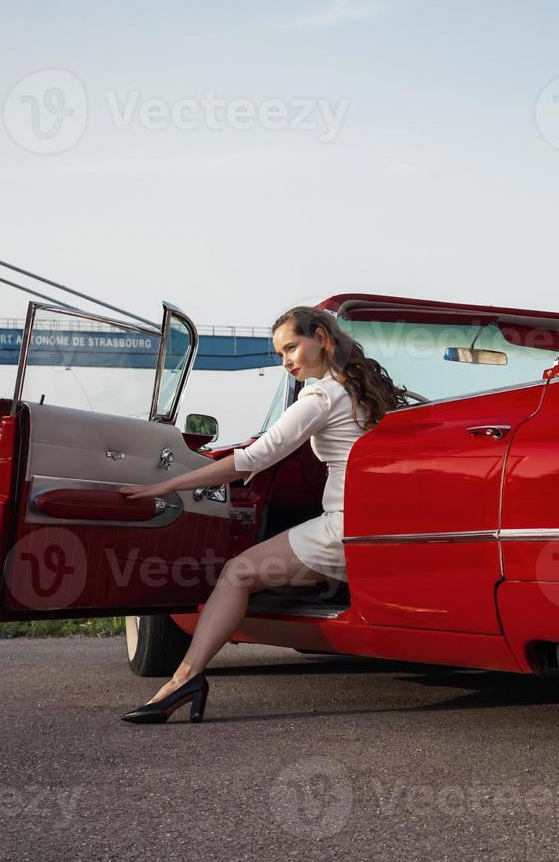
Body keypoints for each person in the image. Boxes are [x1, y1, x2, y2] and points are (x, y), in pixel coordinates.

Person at [116, 306, 403, 724]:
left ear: (321, 338)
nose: (286, 361)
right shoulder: (363, 389)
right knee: (253, 571)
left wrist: (166, 485)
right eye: (280, 353)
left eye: (291, 347)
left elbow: (254, 458)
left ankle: (184, 679)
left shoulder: (321, 395)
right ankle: (187, 678)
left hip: (341, 526)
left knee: (237, 572)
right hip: (372, 522)